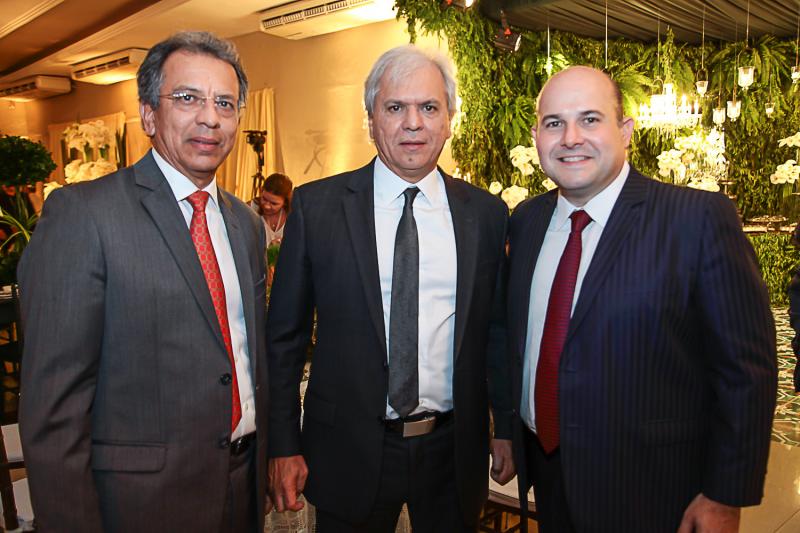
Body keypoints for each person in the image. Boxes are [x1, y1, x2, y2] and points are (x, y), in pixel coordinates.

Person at [506, 65, 777, 533]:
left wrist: (724, 495)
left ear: (625, 130)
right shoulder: (526, 222)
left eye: (590, 119)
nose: (571, 138)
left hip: (652, 489)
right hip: (548, 476)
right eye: (554, 123)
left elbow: (746, 372)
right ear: (536, 137)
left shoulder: (695, 220)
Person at [18, 31, 270, 533]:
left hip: (241, 487)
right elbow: (54, 411)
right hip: (140, 505)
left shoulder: (245, 224)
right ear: (149, 115)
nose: (210, 117)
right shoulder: (84, 216)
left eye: (225, 103)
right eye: (188, 98)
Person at [266, 45, 514, 532]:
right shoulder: (318, 209)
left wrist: (504, 426)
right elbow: (284, 340)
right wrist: (283, 443)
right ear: (371, 119)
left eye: (429, 107)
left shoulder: (486, 215)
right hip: (346, 448)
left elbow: (497, 332)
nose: (413, 123)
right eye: (396, 107)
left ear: (449, 120)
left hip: (452, 450)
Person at [251, 172, 293, 246]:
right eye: (264, 199)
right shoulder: (250, 209)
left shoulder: (293, 214)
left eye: (274, 203)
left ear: (285, 202)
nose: (267, 206)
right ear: (261, 191)